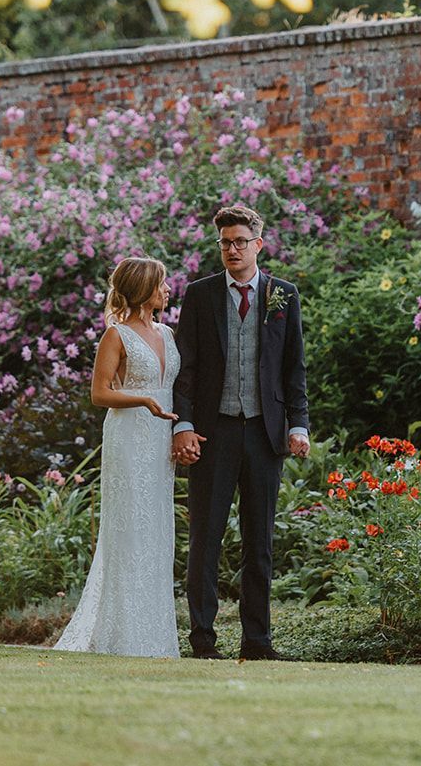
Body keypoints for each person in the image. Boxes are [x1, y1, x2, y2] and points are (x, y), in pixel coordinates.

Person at [171, 204, 310, 661]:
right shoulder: (200, 295)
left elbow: (294, 370)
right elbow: (185, 369)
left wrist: (299, 425)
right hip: (213, 433)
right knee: (205, 541)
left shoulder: (283, 296)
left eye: (239, 242)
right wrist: (184, 426)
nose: (231, 249)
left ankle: (257, 641)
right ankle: (203, 641)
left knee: (260, 543)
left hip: (265, 435)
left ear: (258, 245)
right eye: (224, 243)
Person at [52, 257, 181, 657]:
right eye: (161, 284)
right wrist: (142, 399)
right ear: (144, 289)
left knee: (157, 534)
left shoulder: (168, 333)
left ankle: (154, 637)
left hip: (161, 441)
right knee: (129, 532)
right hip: (129, 436)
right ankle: (121, 636)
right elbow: (100, 393)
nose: (167, 290)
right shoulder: (116, 335)